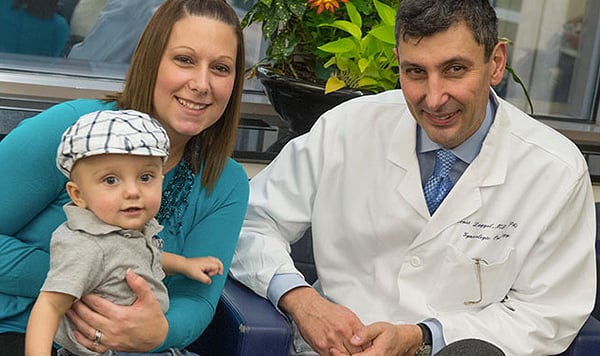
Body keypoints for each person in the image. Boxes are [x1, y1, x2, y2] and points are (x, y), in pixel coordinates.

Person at [230, 0, 596, 355]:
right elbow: (248, 224)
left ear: (496, 63)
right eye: (416, 72)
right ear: (398, 65)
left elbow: (548, 313)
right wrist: (301, 300)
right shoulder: (346, 128)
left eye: (455, 69)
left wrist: (423, 337)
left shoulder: (555, 170)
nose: (434, 99)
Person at [0, 0, 249, 355]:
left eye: (221, 68)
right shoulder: (74, 130)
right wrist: (79, 279)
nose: (201, 83)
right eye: (185, 60)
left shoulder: (226, 183)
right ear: (151, 60)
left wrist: (157, 332)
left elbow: (197, 301)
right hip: (20, 334)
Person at [25, 109, 225, 356]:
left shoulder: (127, 230)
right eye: (111, 180)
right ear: (78, 195)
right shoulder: (87, 246)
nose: (132, 191)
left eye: (145, 177)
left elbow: (141, 259)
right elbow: (49, 305)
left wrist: (184, 265)